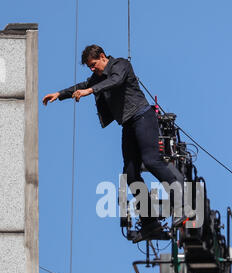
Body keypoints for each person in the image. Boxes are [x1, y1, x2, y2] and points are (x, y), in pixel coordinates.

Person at [43, 45, 193, 242]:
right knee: (130, 175)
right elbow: (82, 85)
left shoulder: (121, 65)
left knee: (152, 160)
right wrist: (59, 94)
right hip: (128, 124)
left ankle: (183, 205)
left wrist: (89, 90)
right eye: (89, 67)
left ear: (103, 57)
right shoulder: (97, 78)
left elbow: (115, 81)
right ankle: (150, 225)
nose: (92, 69)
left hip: (143, 117)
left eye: (93, 65)